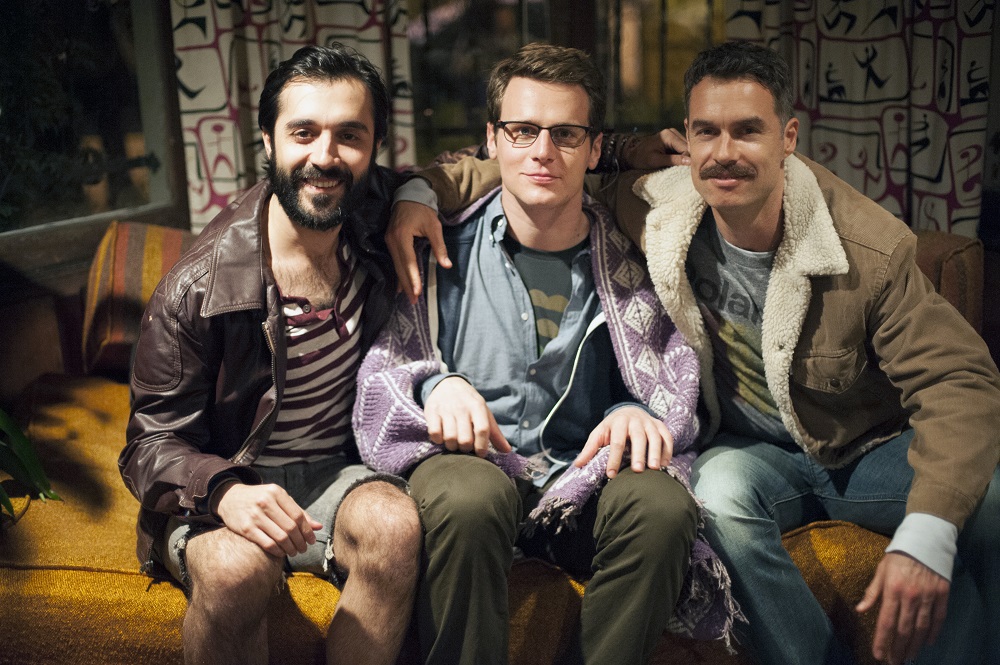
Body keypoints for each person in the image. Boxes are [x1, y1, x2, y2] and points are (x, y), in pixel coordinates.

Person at [386, 40, 1000, 665]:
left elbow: (960, 380)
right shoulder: (656, 206)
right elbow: (525, 167)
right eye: (707, 131)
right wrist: (417, 194)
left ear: (788, 137)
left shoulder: (867, 247)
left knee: (989, 500)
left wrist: (929, 532)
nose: (725, 152)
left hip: (863, 446)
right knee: (717, 502)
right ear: (687, 138)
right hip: (750, 453)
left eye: (748, 130)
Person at [352, 43, 741, 665]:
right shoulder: (433, 244)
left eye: (565, 134)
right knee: (468, 499)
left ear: (594, 149)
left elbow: (667, 377)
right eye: (523, 130)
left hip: (585, 479)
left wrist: (637, 411)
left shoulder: (640, 252)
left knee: (663, 508)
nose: (542, 151)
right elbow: (387, 368)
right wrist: (435, 385)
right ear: (493, 139)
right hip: (470, 467)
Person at [119, 44, 422, 665]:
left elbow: (489, 160)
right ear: (268, 139)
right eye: (303, 133)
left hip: (331, 472)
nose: (325, 157)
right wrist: (223, 491)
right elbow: (148, 445)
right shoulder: (197, 287)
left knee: (396, 526)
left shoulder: (370, 216)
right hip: (224, 477)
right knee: (236, 572)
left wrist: (420, 194)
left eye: (349, 135)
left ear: (374, 148)